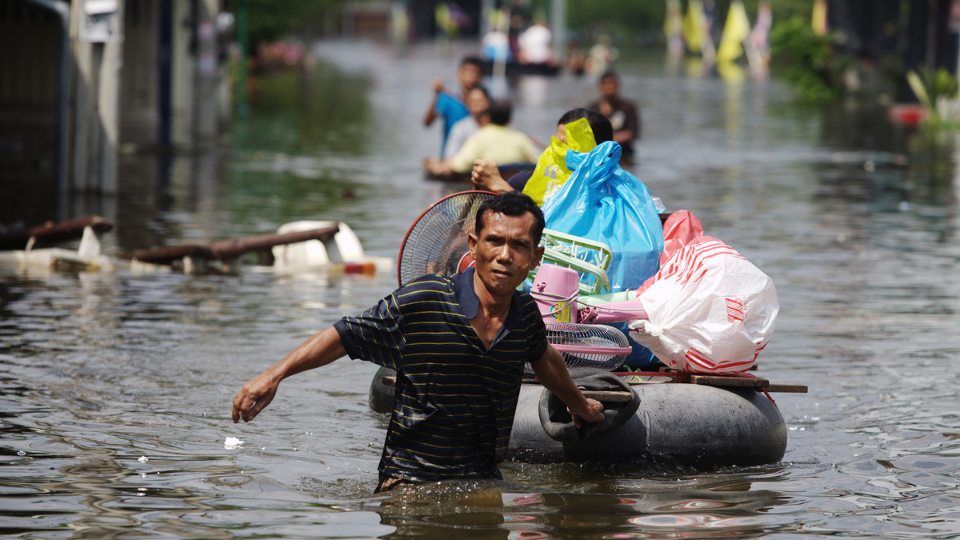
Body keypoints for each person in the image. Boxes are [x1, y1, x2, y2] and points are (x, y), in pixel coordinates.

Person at [232, 192, 605, 492]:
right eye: (494, 241)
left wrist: (579, 404)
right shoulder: (425, 299)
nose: (505, 256)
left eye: (519, 246)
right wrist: (273, 375)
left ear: (535, 256)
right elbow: (344, 335)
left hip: (482, 483)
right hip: (410, 485)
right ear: (473, 246)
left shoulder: (524, 313)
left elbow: (545, 360)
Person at [470, 107, 612, 198]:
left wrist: (501, 187)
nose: (559, 151)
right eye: (557, 143)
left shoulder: (611, 195)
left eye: (570, 145)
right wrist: (481, 184)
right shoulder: (524, 182)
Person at [425, 100, 540, 176]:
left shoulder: (480, 136)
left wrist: (444, 164)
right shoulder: (520, 137)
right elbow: (538, 161)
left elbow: (459, 165)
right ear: (509, 118)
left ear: (488, 117)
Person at [423, 56, 484, 156]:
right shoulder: (448, 99)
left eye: (476, 73)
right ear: (459, 74)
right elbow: (427, 123)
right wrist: (436, 95)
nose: (472, 77)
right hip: (451, 157)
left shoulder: (486, 101)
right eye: (468, 72)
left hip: (477, 157)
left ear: (481, 77)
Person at [586, 71, 640, 162]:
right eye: (605, 84)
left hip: (623, 154)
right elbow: (587, 133)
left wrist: (608, 141)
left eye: (612, 83)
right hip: (600, 156)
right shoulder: (592, 108)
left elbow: (632, 133)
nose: (609, 87)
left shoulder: (628, 107)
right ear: (600, 86)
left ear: (618, 85)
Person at [442, 86, 491, 160]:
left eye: (480, 101)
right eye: (473, 101)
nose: (477, 105)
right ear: (467, 104)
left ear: (488, 102)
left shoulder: (499, 125)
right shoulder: (460, 128)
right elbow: (450, 156)